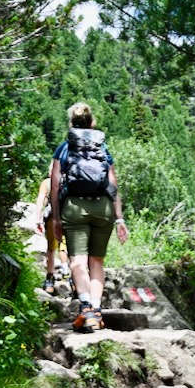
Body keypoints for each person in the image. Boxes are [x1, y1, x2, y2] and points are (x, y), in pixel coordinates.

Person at [50, 102, 128, 332]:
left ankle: (85, 309)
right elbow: (113, 184)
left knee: (78, 261)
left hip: (74, 207)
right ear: (92, 123)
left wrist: (56, 217)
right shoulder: (102, 149)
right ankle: (96, 311)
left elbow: (55, 185)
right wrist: (119, 218)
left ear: (71, 123)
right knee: (97, 262)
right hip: (103, 207)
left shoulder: (64, 149)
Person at [34, 176, 69, 294]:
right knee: (65, 247)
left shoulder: (47, 183)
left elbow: (41, 200)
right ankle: (69, 275)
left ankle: (49, 280)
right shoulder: (71, 180)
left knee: (51, 248)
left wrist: (38, 219)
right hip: (69, 218)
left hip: (52, 219)